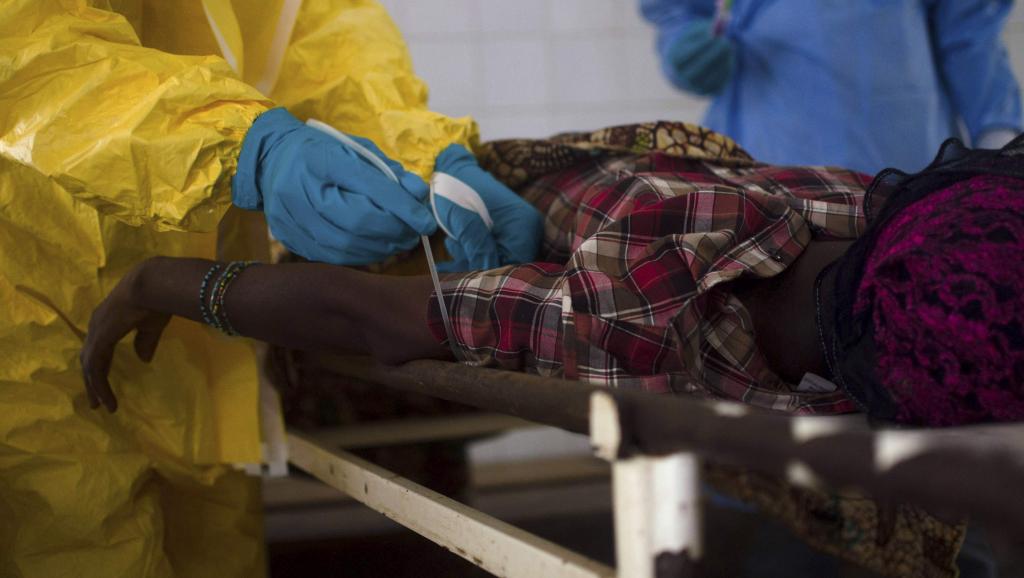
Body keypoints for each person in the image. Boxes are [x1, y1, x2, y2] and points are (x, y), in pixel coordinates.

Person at [81, 123, 1023, 577]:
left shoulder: (878, 209)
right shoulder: (632, 315)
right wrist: (163, 282)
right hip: (568, 222)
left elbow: (387, 318)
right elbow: (376, 319)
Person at [0, 1, 538, 576]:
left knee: (215, 547)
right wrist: (237, 146)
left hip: (202, 342)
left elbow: (326, 40)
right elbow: (31, 52)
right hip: (33, 305)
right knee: (70, 534)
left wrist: (425, 157)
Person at [641, 0, 1024, 175]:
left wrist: (998, 136)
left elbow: (969, 33)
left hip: (903, 155)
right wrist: (684, 44)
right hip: (768, 152)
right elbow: (680, 10)